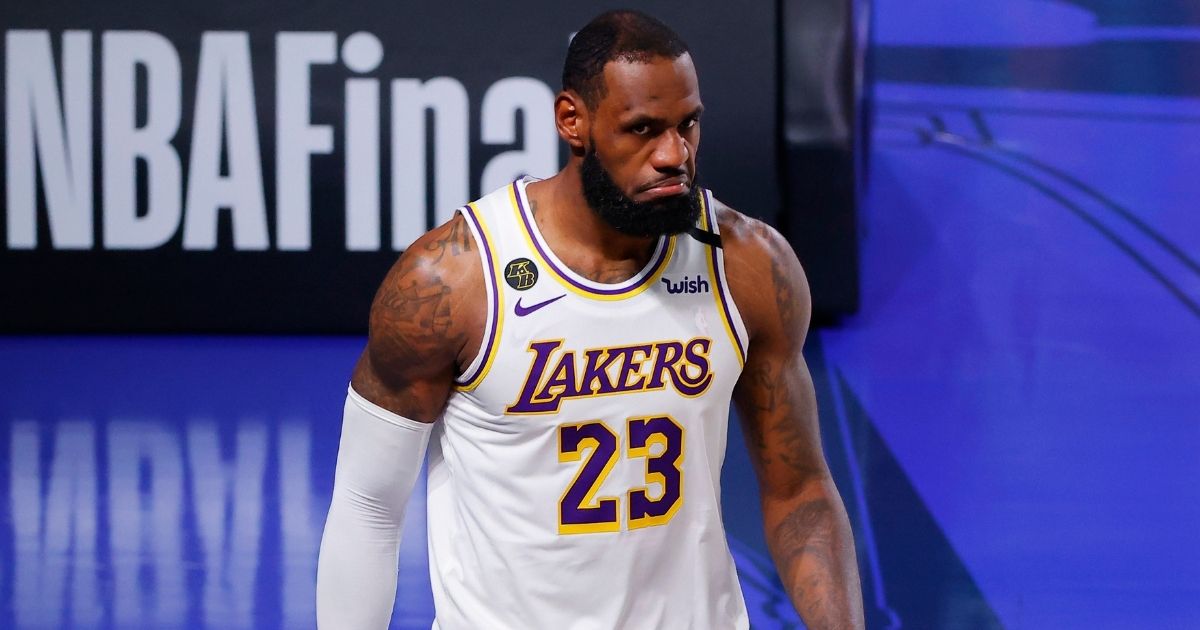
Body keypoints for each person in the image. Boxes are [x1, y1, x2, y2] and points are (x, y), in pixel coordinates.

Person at [316, 9, 864, 629]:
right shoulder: (454, 281)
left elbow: (800, 491)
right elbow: (368, 507)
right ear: (572, 122)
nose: (673, 155)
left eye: (688, 126)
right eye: (643, 130)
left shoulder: (747, 267)